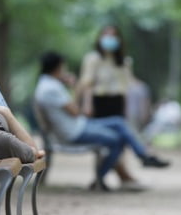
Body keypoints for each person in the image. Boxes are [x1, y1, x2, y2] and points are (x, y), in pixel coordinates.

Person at [35, 51, 169, 191]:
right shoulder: (52, 88)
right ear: (58, 68)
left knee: (118, 122)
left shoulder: (46, 85)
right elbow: (75, 111)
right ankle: (101, 178)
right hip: (74, 131)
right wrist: (74, 87)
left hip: (78, 126)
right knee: (117, 139)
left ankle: (142, 155)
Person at [76, 25, 145, 191]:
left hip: (117, 103)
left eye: (113, 35)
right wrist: (87, 104)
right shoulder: (93, 59)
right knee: (102, 142)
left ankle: (104, 177)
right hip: (99, 103)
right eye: (106, 35)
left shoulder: (124, 61)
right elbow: (87, 84)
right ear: (100, 38)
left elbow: (126, 87)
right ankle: (118, 174)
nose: (110, 39)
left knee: (120, 141)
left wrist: (127, 109)